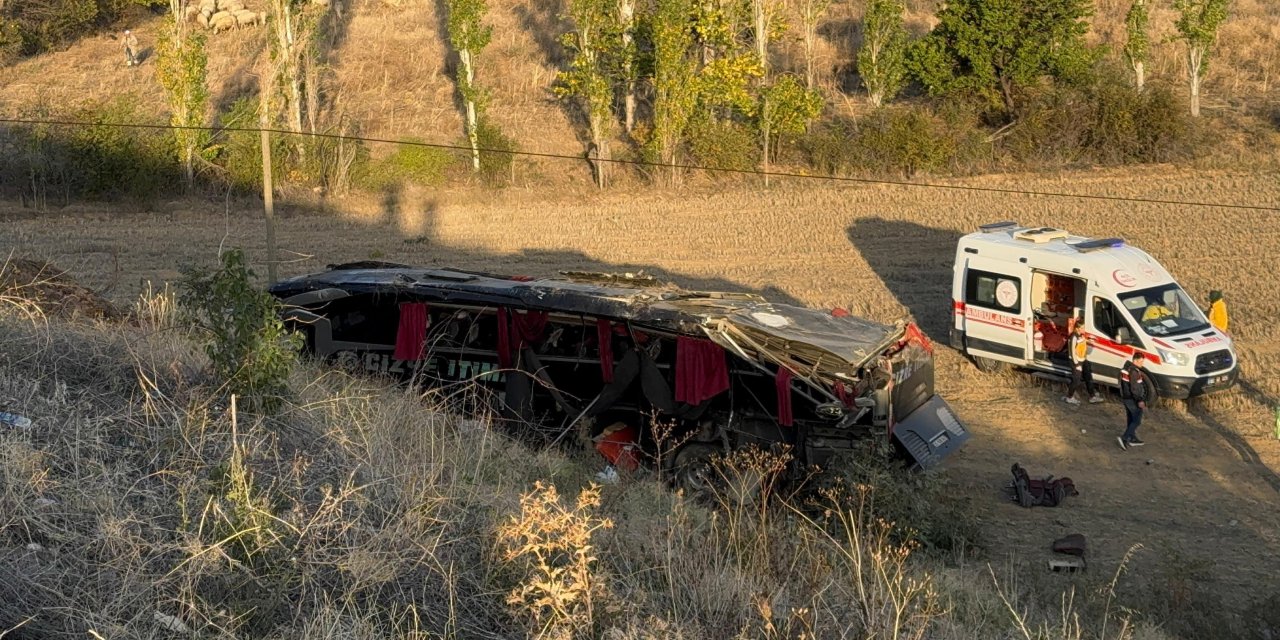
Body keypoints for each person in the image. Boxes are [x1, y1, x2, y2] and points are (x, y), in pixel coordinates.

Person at [1063, 319, 1103, 405]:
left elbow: (1082, 342)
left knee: (1088, 377)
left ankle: (1092, 396)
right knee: (1076, 380)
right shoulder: (1073, 337)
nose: (1084, 329)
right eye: (1082, 328)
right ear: (1077, 328)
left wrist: (1088, 341)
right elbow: (1072, 351)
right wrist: (1077, 364)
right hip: (1076, 361)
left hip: (1083, 360)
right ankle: (1069, 397)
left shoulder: (1081, 335)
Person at [1118, 352, 1150, 450]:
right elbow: (1135, 388)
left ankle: (1132, 438)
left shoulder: (1125, 369)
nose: (1142, 364)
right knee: (1136, 420)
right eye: (1140, 362)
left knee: (1131, 419)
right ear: (1135, 360)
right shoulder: (1134, 372)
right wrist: (1140, 400)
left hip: (1126, 397)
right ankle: (1125, 438)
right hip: (1133, 399)